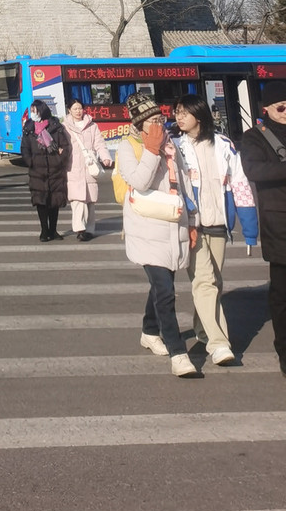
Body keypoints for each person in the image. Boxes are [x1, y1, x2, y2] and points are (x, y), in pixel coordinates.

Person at [117, 92, 196, 377]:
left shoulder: (171, 143)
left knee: (161, 286)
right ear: (139, 124)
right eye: (152, 121)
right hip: (146, 228)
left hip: (173, 225)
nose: (158, 125)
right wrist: (151, 150)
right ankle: (178, 353)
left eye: (160, 119)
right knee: (165, 290)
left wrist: (193, 221)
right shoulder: (128, 146)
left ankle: (150, 331)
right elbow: (139, 181)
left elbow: (184, 184)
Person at [172, 95, 251, 367]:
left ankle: (203, 330)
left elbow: (240, 183)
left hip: (219, 223)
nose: (179, 117)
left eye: (184, 112)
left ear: (199, 114)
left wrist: (249, 226)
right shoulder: (176, 146)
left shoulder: (224, 144)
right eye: (177, 112)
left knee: (213, 282)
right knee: (204, 281)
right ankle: (219, 344)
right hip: (192, 224)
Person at [238, 80, 286, 378]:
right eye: (281, 107)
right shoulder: (254, 137)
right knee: (282, 294)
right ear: (266, 108)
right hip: (279, 225)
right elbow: (254, 170)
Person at [20, 98, 70, 242]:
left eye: (35, 110)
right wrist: (30, 162)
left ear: (42, 111)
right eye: (32, 111)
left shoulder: (55, 126)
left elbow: (65, 146)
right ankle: (44, 230)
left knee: (54, 202)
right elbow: (25, 148)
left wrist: (60, 160)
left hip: (55, 170)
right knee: (41, 201)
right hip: (37, 171)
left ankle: (53, 230)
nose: (32, 113)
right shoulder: (29, 129)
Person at [64, 99, 113, 241]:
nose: (78, 111)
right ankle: (80, 229)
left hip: (89, 168)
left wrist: (105, 157)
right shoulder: (65, 127)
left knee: (90, 202)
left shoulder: (92, 126)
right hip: (73, 168)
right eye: (75, 109)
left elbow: (99, 143)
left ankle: (90, 230)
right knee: (77, 201)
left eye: (80, 108)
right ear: (69, 110)